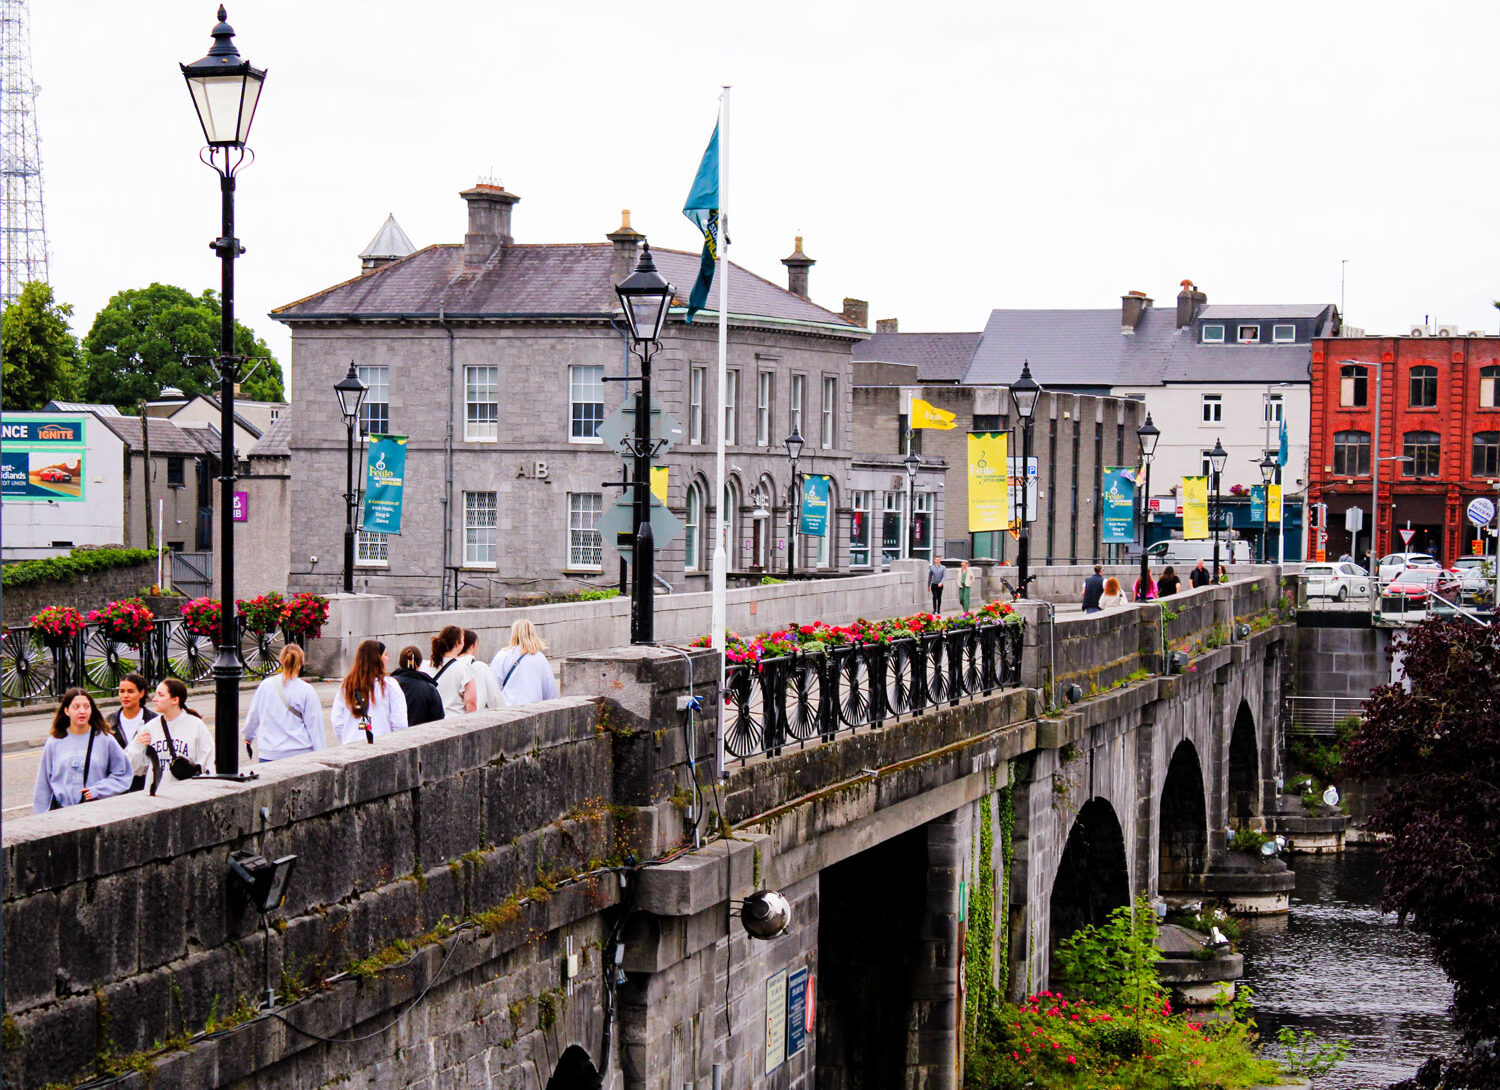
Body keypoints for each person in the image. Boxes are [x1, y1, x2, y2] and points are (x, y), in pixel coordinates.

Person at [33, 688, 133, 812]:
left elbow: (123, 774)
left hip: (95, 811)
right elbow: (43, 785)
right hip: (61, 812)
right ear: (67, 711)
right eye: (76, 707)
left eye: (86, 706)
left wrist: (98, 790)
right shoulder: (54, 742)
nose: (82, 711)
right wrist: (41, 817)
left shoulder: (105, 739)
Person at [126, 678, 216, 795]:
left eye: (160, 695)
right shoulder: (150, 727)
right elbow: (132, 768)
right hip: (157, 796)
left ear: (175, 700)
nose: (154, 699)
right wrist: (137, 746)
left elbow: (209, 762)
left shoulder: (196, 725)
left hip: (187, 795)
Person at [242, 644, 326, 762]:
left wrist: (248, 736)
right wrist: (321, 755)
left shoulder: (265, 686)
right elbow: (315, 726)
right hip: (300, 753)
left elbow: (253, 716)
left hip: (270, 753)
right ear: (301, 663)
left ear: (281, 661)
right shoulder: (306, 690)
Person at [332, 640, 409, 744]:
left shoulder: (346, 686)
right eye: (385, 655)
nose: (388, 659)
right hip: (382, 746)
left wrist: (348, 738)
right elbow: (400, 723)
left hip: (351, 746)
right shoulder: (389, 685)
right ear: (377, 659)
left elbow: (337, 722)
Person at [491, 619, 561, 706]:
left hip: (508, 709)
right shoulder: (539, 658)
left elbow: (493, 687)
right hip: (533, 709)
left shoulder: (501, 656)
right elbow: (550, 691)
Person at [107, 672, 156, 792]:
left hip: (145, 783)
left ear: (142, 693)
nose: (125, 696)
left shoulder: (153, 721)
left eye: (130, 691)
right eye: (122, 691)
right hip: (117, 784)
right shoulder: (110, 721)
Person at [391, 646, 445, 726]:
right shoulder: (429, 688)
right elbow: (438, 719)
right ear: (420, 663)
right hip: (422, 735)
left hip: (392, 736)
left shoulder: (388, 684)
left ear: (400, 662)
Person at [430, 625, 477, 715]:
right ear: (457, 644)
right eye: (463, 640)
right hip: (455, 720)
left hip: (433, 721)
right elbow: (471, 703)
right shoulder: (464, 668)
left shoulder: (426, 666)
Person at [460, 629, 504, 710]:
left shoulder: (448, 666)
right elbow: (495, 700)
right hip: (474, 716)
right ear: (472, 646)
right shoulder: (480, 667)